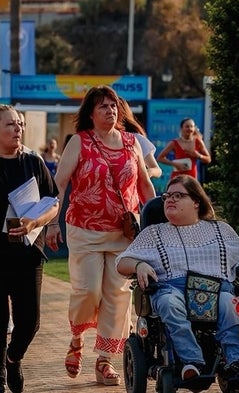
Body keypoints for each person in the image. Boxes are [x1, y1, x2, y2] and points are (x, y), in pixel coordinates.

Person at [45, 85, 155, 385]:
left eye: (114, 106)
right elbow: (60, 184)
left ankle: (105, 361)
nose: (111, 111)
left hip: (124, 233)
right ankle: (77, 337)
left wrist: (156, 223)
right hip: (84, 230)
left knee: (117, 296)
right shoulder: (79, 142)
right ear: (91, 113)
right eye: (103, 107)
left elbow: (144, 186)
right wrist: (52, 223)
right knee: (88, 291)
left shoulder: (133, 142)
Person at [116, 174, 239, 380]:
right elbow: (122, 263)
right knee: (169, 303)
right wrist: (139, 264)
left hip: (216, 289)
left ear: (196, 202)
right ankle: (192, 361)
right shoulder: (154, 233)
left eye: (178, 195)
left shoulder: (221, 230)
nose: (170, 199)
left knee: (229, 304)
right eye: (167, 196)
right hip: (172, 289)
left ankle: (235, 362)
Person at [0, 103, 59, 393]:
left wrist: (34, 222)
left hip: (27, 251)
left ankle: (13, 359)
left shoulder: (33, 162)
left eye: (20, 123)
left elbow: (52, 202)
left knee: (30, 322)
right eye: (11, 124)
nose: (18, 128)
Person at [117, 97, 162, 178]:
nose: (109, 111)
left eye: (113, 107)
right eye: (104, 107)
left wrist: (147, 173)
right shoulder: (93, 138)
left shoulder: (135, 139)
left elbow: (156, 169)